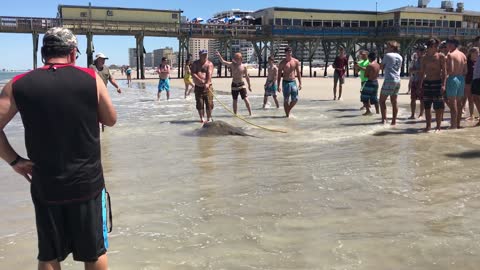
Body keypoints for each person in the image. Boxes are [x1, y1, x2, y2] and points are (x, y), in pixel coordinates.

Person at [0, 27, 116, 270]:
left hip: (46, 184)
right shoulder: (90, 78)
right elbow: (110, 119)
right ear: (73, 53)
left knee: (49, 255)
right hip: (87, 183)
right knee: (94, 253)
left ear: (44, 53)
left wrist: (14, 161)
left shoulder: (18, 84)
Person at [417, 37, 446, 132]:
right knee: (427, 106)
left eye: (435, 46)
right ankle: (428, 126)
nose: (434, 48)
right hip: (427, 83)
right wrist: (420, 85)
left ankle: (438, 126)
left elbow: (444, 72)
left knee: (438, 107)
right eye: (432, 46)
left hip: (437, 82)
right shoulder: (424, 58)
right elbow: (422, 72)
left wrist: (443, 85)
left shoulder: (440, 56)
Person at [215, 51, 253, 116]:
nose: (235, 59)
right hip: (234, 84)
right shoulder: (232, 64)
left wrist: (249, 86)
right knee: (235, 100)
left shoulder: (244, 67)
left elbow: (247, 77)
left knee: (246, 99)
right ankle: (235, 115)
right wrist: (219, 55)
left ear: (241, 59)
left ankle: (250, 114)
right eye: (235, 58)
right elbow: (223, 62)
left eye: (237, 58)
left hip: (241, 84)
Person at [445, 38, 467, 129]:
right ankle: (457, 124)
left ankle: (453, 126)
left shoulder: (450, 55)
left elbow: (451, 70)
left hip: (452, 78)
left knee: (452, 103)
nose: (446, 46)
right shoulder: (463, 55)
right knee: (459, 103)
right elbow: (466, 71)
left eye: (447, 44)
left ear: (452, 44)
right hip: (461, 79)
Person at [379, 40, 403, 125]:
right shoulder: (400, 57)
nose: (386, 48)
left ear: (392, 47)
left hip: (389, 79)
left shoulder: (388, 55)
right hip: (397, 79)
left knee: (381, 101)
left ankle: (384, 120)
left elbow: (381, 67)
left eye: (388, 46)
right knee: (394, 101)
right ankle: (394, 121)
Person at [277, 46, 302, 118]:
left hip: (293, 82)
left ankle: (287, 110)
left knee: (295, 99)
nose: (289, 53)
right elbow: (279, 75)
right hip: (285, 82)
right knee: (286, 100)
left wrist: (300, 83)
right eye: (288, 52)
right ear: (285, 53)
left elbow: (298, 72)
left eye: (290, 52)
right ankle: (287, 115)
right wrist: (278, 86)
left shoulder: (295, 61)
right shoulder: (282, 63)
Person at [191, 49, 214, 123]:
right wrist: (200, 80)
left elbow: (209, 74)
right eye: (203, 55)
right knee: (200, 103)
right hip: (198, 86)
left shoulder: (209, 64)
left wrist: (207, 83)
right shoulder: (195, 63)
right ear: (200, 55)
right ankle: (202, 118)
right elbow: (193, 73)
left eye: (205, 55)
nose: (204, 56)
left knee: (209, 103)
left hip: (208, 87)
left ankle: (209, 118)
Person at [409, 45, 426, 119]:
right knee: (413, 99)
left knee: (422, 99)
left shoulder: (425, 60)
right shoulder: (415, 60)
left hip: (422, 81)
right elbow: (410, 70)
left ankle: (421, 114)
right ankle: (412, 114)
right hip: (414, 80)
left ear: (422, 52)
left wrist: (416, 70)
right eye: (417, 51)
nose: (417, 52)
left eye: (418, 51)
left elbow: (423, 71)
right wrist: (417, 70)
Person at [464, 47, 478, 120]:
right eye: (476, 52)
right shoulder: (467, 62)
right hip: (468, 82)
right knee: (470, 99)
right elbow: (465, 72)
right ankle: (471, 114)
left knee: (477, 98)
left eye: (478, 53)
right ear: (471, 53)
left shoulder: (478, 61)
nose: (477, 54)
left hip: (477, 81)